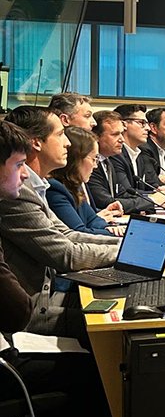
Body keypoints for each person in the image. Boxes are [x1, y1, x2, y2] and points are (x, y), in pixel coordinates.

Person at [0, 118, 112, 417]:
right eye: (17, 167)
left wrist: (127, 249)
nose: (23, 177)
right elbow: (18, 312)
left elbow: (68, 236)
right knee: (101, 360)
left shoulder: (32, 190)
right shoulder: (11, 201)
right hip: (12, 345)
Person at [0, 106, 119, 302]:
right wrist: (127, 254)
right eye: (61, 134)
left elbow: (67, 234)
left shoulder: (39, 185)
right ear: (36, 142)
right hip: (34, 306)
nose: (68, 143)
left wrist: (125, 247)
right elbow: (66, 254)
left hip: (44, 297)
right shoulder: (16, 194)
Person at [47, 127, 121, 236]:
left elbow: (92, 219)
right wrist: (117, 234)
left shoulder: (75, 185)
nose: (95, 166)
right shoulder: (55, 189)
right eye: (93, 159)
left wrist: (112, 229)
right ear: (76, 159)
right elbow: (78, 232)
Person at [88, 111, 156, 214]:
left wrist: (152, 201)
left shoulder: (108, 161)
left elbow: (123, 194)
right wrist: (153, 201)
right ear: (96, 137)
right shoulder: (91, 165)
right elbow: (106, 202)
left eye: (121, 134)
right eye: (115, 134)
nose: (122, 140)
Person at [115, 103, 163, 192]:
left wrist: (159, 191)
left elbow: (144, 187)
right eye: (141, 123)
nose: (148, 128)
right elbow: (127, 192)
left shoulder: (139, 153)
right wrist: (154, 197)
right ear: (124, 124)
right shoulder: (116, 155)